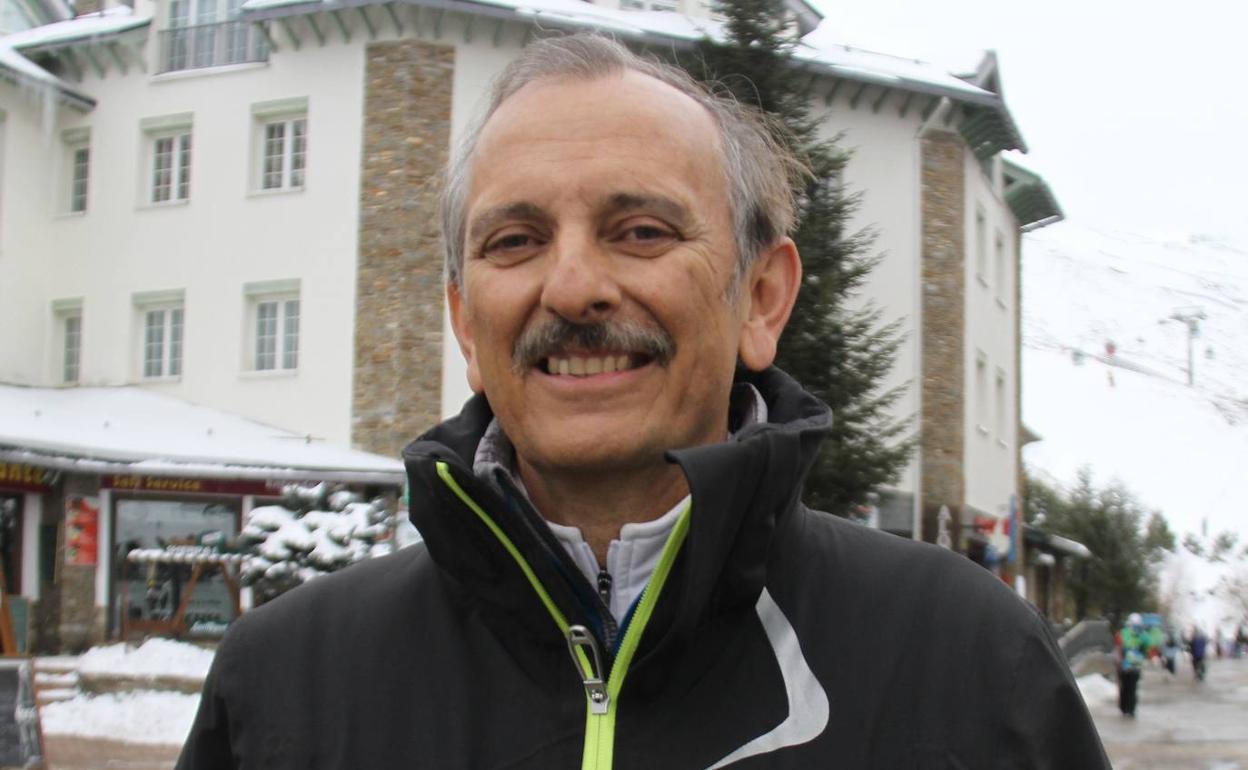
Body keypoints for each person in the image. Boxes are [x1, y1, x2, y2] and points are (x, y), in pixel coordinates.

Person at [176, 34, 1110, 769]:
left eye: (641, 231)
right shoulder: (284, 683)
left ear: (760, 298)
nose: (573, 286)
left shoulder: (968, 662)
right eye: (514, 241)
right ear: (465, 322)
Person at [1117, 613, 1149, 717]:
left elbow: (1120, 648)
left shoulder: (1123, 633)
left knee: (1125, 688)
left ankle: (1125, 708)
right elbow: (1145, 649)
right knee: (1131, 688)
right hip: (1133, 666)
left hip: (1127, 666)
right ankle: (1130, 709)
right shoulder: (1143, 635)